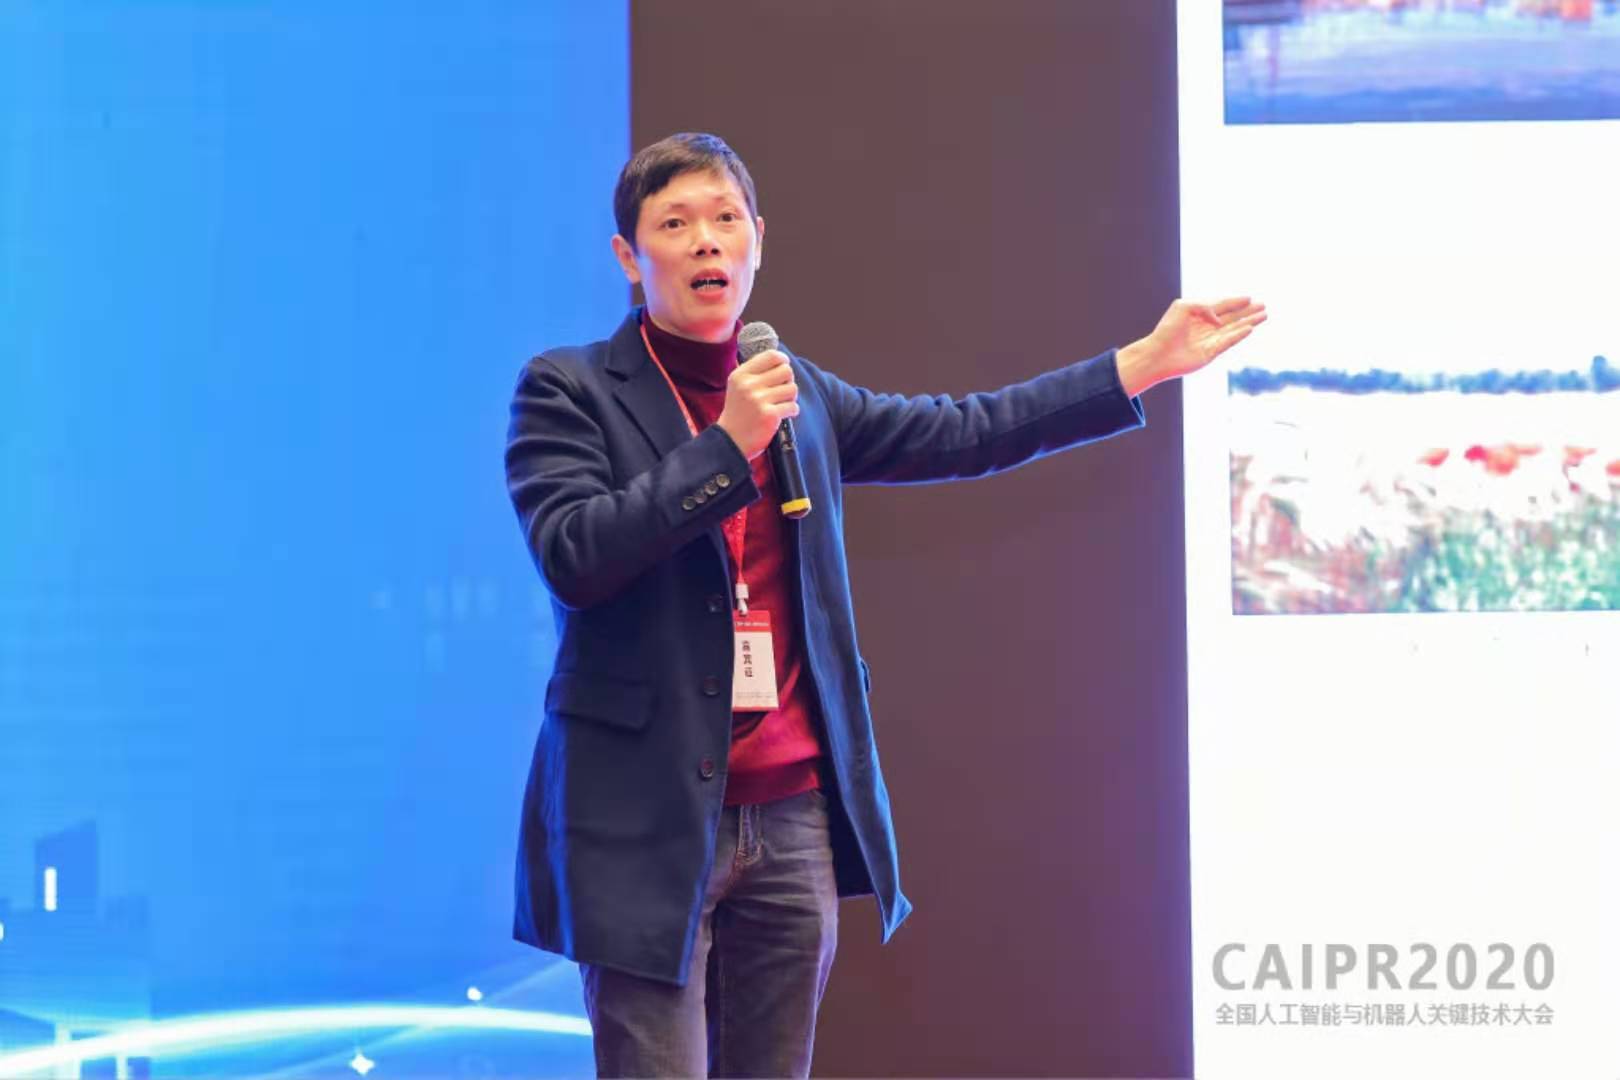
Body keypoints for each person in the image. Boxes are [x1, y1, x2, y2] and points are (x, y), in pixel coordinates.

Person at [504, 132, 1264, 1077]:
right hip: (643, 818)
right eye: (676, 224)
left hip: (791, 817)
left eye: (726, 219)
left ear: (758, 240)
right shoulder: (569, 389)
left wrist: (1138, 365)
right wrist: (726, 447)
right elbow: (574, 556)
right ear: (629, 256)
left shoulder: (799, 394)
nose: (706, 241)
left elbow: (964, 431)